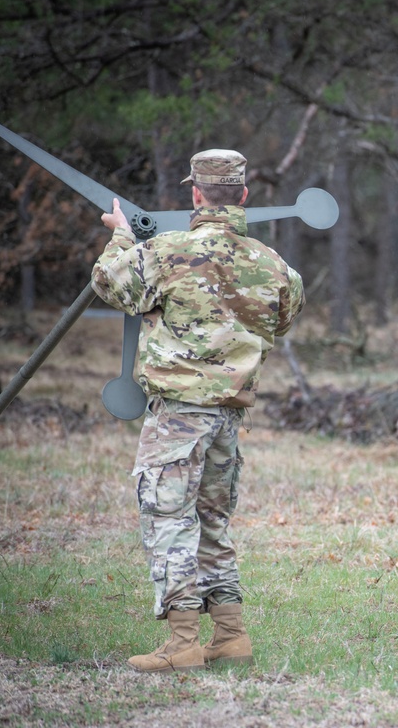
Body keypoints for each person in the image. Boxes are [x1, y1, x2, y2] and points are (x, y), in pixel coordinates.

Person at [92, 149, 306, 672]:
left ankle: (183, 642)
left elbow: (109, 282)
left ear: (195, 194)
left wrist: (122, 233)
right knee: (212, 521)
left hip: (178, 417)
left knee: (168, 519)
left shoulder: (166, 252)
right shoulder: (274, 265)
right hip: (228, 418)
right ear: (244, 196)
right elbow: (282, 318)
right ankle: (230, 635)